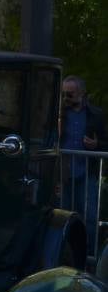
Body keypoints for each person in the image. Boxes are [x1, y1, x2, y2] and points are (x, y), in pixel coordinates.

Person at [61, 75, 105, 227]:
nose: (65, 97)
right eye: (63, 93)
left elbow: (105, 143)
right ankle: (63, 249)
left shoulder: (96, 114)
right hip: (62, 171)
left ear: (81, 93)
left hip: (86, 171)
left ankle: (88, 250)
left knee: (90, 215)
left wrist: (96, 144)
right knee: (61, 214)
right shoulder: (58, 113)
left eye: (70, 94)